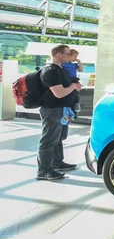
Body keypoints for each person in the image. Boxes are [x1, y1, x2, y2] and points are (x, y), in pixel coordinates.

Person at [36, 45, 82, 181]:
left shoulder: (60, 70)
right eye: (67, 54)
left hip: (61, 109)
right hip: (52, 109)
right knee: (49, 139)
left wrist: (74, 86)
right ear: (58, 54)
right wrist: (73, 86)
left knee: (57, 138)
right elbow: (59, 93)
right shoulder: (51, 71)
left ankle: (57, 162)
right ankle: (44, 170)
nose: (70, 57)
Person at [62, 49, 83, 117]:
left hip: (74, 79)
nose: (76, 58)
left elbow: (80, 69)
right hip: (68, 80)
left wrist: (79, 62)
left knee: (76, 92)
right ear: (69, 56)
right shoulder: (63, 64)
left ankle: (76, 104)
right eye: (74, 57)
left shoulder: (73, 64)